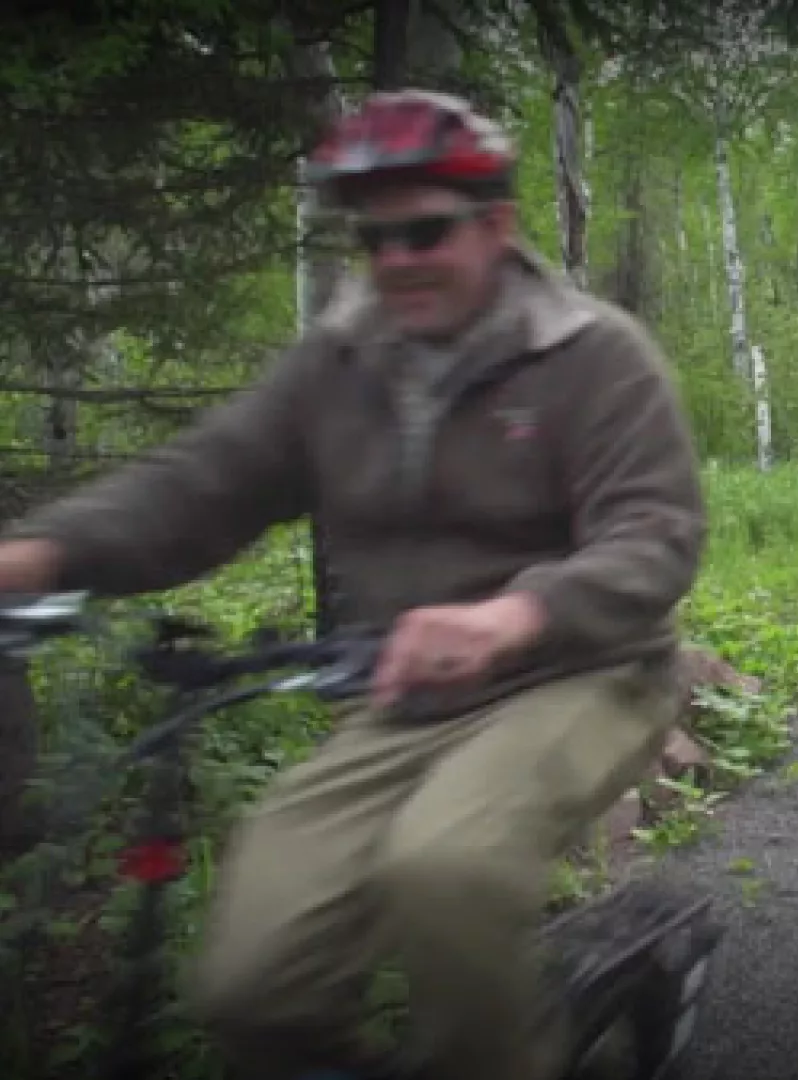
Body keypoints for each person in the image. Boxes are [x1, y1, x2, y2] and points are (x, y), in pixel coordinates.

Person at [0, 89, 707, 1080]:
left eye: (423, 232)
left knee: (447, 869)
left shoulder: (592, 357)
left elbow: (656, 536)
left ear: (496, 227)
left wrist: (512, 615)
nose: (396, 262)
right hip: (408, 695)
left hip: (585, 674)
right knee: (250, 980)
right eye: (374, 241)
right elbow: (204, 484)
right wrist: (39, 554)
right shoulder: (339, 364)